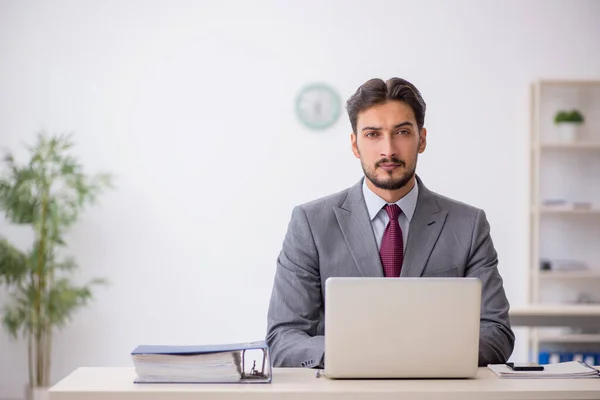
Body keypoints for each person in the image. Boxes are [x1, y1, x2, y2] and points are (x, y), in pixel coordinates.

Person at [265, 77, 515, 369]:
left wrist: (416, 356)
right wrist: (356, 354)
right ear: (355, 145)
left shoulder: (468, 225)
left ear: (421, 139)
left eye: (402, 132)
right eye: (373, 134)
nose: (389, 150)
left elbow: (496, 332)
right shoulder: (310, 223)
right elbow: (283, 337)